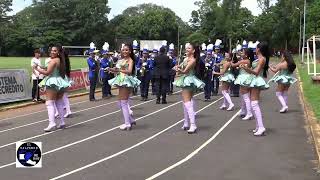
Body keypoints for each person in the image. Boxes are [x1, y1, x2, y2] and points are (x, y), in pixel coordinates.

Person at [37, 45, 71, 132]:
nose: (52, 52)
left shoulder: (53, 60)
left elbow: (47, 72)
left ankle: (52, 123)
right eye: (52, 50)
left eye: (55, 51)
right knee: (59, 102)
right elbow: (52, 69)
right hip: (60, 81)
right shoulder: (61, 60)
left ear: (58, 52)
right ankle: (62, 122)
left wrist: (37, 69)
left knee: (49, 103)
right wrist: (42, 68)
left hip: (52, 82)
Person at [173, 43, 205, 134]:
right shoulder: (186, 59)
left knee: (187, 102)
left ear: (193, 50)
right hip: (186, 79)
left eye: (189, 48)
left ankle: (193, 124)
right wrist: (177, 67)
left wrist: (179, 70)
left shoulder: (193, 60)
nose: (186, 49)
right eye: (186, 48)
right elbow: (181, 68)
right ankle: (186, 122)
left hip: (189, 79)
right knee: (186, 102)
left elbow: (185, 71)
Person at [108, 44, 141, 130]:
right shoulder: (120, 60)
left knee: (123, 102)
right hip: (121, 80)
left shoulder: (130, 60)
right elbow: (116, 69)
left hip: (126, 81)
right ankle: (131, 120)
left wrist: (119, 70)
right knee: (120, 103)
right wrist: (110, 69)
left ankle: (127, 124)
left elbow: (129, 71)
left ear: (130, 51)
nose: (125, 51)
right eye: (123, 50)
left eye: (126, 50)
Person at [240, 42, 270, 136]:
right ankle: (258, 126)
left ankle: (261, 127)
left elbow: (256, 72)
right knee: (254, 103)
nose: (255, 50)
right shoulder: (260, 59)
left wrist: (246, 69)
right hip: (255, 80)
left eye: (256, 48)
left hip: (257, 80)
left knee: (254, 103)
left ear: (259, 49)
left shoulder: (262, 59)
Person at [233, 48, 255, 120]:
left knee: (245, 97)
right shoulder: (249, 61)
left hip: (243, 78)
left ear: (246, 55)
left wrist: (229, 61)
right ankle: (243, 111)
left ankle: (249, 113)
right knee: (244, 96)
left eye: (242, 53)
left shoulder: (243, 61)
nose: (241, 54)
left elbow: (233, 65)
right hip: (248, 77)